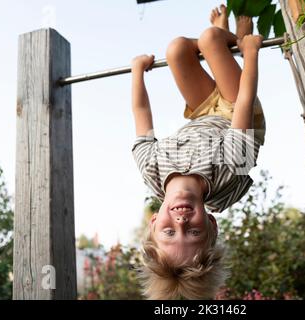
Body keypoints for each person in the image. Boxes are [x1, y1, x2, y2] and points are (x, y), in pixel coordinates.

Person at [130, 4, 266, 299]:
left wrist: (137, 71)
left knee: (177, 49)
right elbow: (244, 101)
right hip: (238, 114)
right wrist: (253, 53)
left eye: (169, 233)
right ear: (211, 224)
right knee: (209, 40)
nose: (181, 223)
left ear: (154, 224)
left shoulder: (152, 171)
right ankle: (235, 39)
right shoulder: (227, 174)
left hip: (203, 114)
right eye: (193, 234)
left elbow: (142, 116)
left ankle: (229, 36)